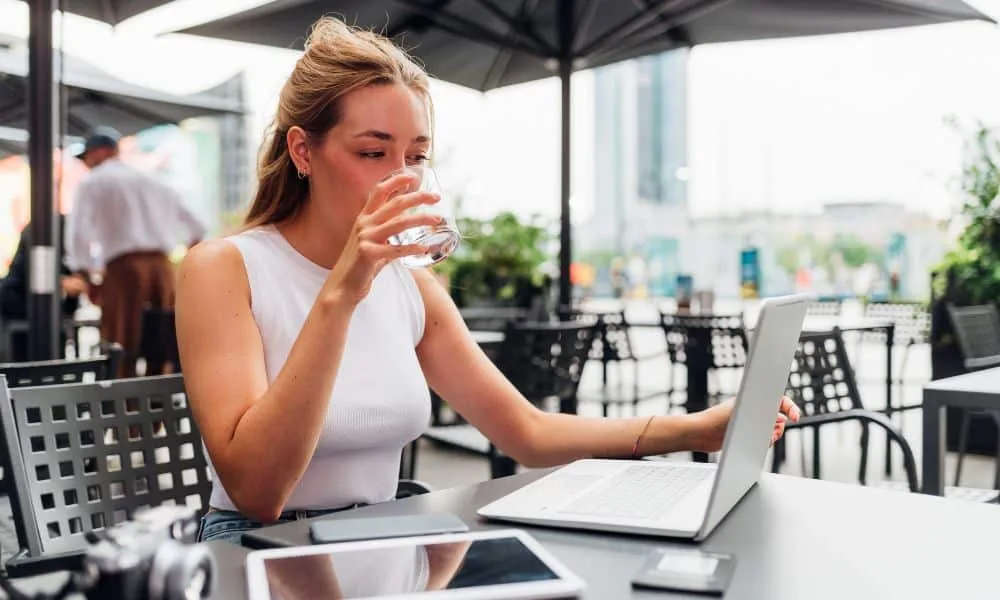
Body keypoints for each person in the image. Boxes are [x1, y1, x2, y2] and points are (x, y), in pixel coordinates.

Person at [176, 17, 800, 545]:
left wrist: (696, 427)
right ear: (304, 152)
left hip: (383, 541)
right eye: (373, 153)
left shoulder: (412, 286)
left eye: (416, 156)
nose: (404, 179)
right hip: (258, 550)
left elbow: (524, 432)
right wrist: (342, 292)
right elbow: (258, 492)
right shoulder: (225, 268)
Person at [66, 127, 206, 377]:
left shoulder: (93, 182)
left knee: (121, 344)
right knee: (161, 345)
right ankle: (159, 412)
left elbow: (79, 232)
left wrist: (86, 274)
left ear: (101, 153)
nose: (86, 164)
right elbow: (198, 227)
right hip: (163, 269)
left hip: (124, 269)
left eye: (87, 157)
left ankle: (125, 411)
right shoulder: (155, 181)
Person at [0, 215, 87, 361]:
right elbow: (25, 274)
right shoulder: (41, 234)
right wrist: (60, 282)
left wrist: (73, 292)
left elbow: (70, 309)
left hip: (50, 327)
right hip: (18, 314)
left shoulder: (68, 256)